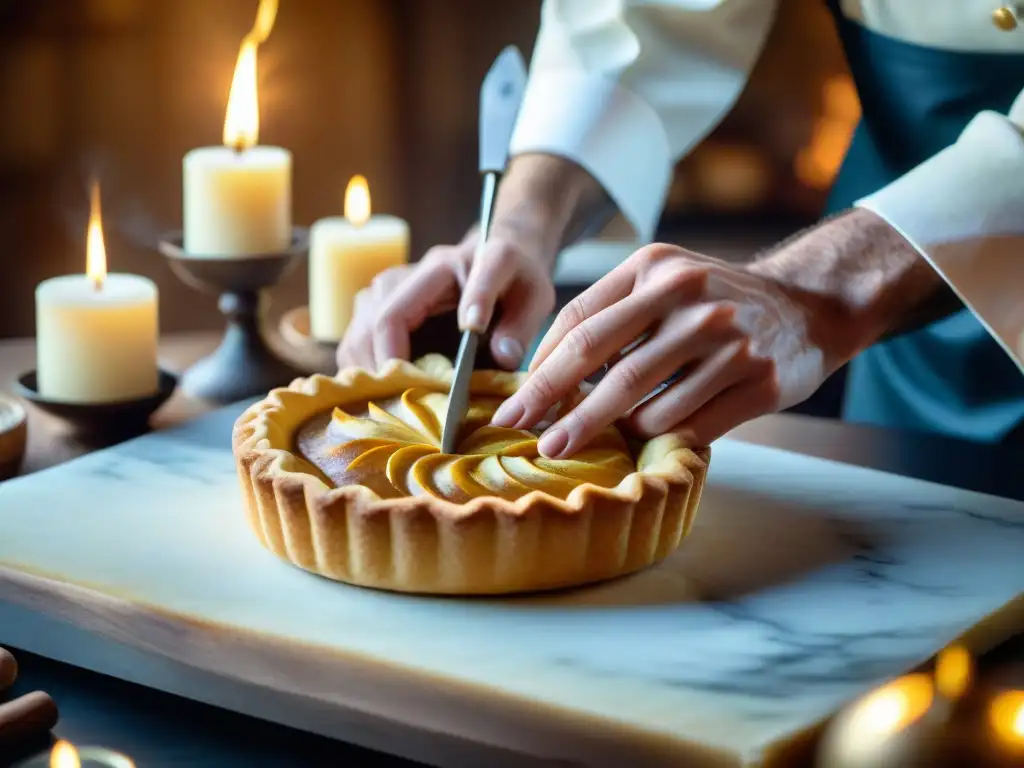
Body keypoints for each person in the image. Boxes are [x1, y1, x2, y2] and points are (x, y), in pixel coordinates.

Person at [337, 0, 1024, 459]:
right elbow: (653, 16)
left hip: (876, 273)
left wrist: (816, 288)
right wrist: (522, 220)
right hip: (903, 355)